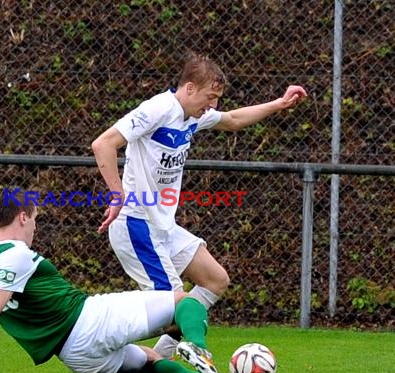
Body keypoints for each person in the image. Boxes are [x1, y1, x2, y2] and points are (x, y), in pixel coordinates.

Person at [91, 50, 307, 356]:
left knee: (215, 280)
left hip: (163, 226)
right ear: (189, 87)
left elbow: (232, 120)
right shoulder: (158, 109)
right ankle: (97, 341)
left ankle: (160, 357)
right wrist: (116, 194)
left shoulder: (193, 114)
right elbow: (103, 143)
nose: (213, 105)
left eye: (217, 98)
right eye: (210, 96)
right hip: (136, 224)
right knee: (173, 306)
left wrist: (279, 104)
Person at [0, 192, 255, 373]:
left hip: (74, 357)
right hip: (89, 321)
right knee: (184, 301)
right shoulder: (16, 254)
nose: (35, 226)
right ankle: (199, 349)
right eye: (34, 219)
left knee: (149, 360)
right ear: (21, 217)